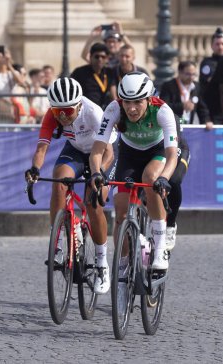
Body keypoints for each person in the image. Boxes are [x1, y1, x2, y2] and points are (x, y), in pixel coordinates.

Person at [25, 77, 118, 294]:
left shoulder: (93, 112)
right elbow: (41, 149)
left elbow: (110, 153)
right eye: (58, 112)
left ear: (79, 105)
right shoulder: (52, 115)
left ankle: (102, 263)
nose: (63, 117)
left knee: (93, 201)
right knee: (59, 180)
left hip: (103, 152)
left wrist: (99, 175)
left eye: (67, 110)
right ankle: (57, 242)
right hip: (76, 150)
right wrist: (35, 170)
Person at [89, 72, 178, 271]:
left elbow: (172, 155)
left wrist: (164, 178)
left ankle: (161, 246)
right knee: (120, 213)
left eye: (138, 102)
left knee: (150, 179)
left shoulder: (163, 110)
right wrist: (96, 172)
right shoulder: (113, 109)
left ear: (149, 99)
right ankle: (122, 265)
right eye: (127, 102)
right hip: (129, 154)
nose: (131, 108)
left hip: (157, 151)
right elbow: (97, 150)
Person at [160, 60, 210, 126]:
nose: (191, 77)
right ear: (180, 72)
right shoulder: (169, 86)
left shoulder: (197, 87)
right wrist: (182, 106)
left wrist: (206, 121)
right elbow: (163, 106)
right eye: (188, 74)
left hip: (189, 126)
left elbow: (202, 108)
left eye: (193, 74)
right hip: (172, 125)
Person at [71, 43, 116, 110]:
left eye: (103, 57)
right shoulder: (79, 72)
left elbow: (114, 97)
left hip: (104, 110)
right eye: (97, 56)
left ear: (106, 59)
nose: (100, 59)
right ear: (90, 57)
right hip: (85, 110)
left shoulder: (109, 72)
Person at [199, 27, 223, 100]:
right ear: (212, 46)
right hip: (213, 102)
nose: (220, 47)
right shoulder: (207, 64)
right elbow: (212, 81)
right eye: (217, 44)